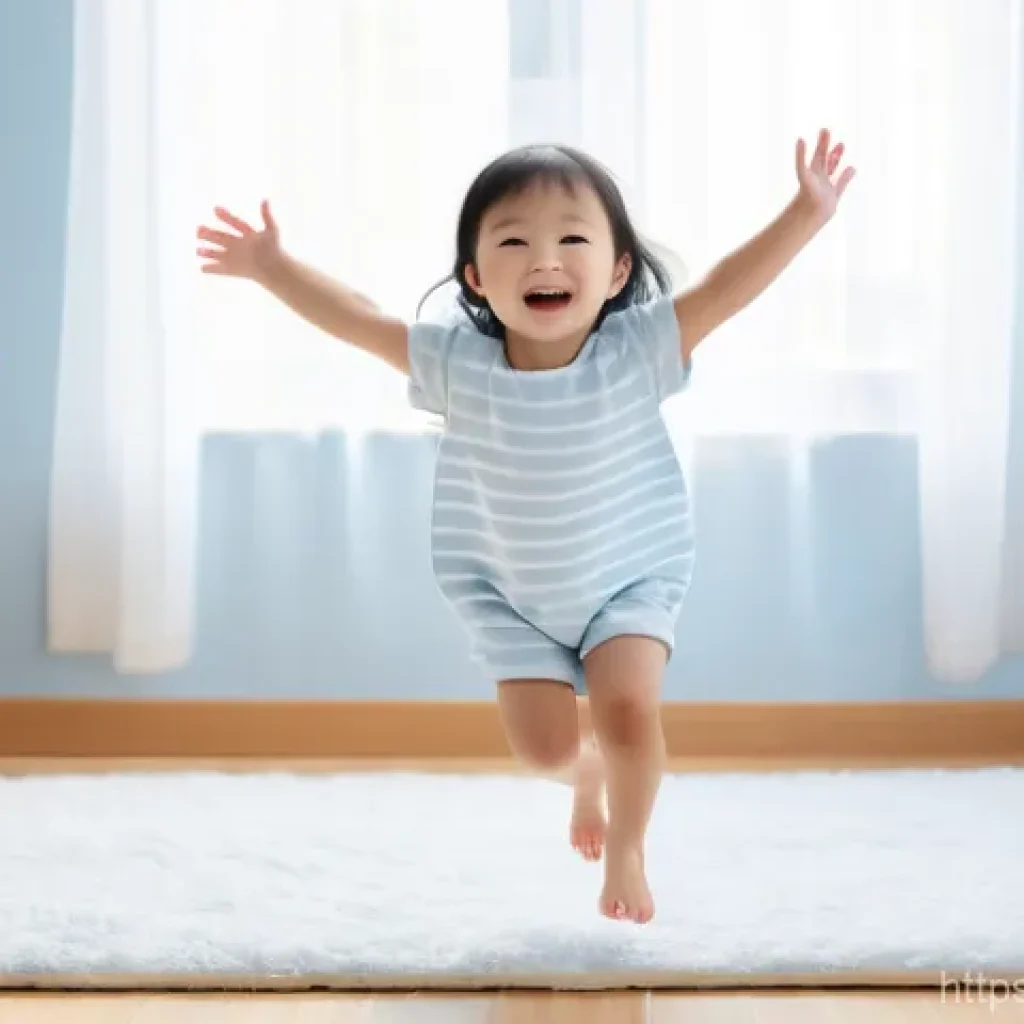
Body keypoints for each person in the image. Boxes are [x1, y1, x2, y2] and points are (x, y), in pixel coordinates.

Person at [196, 130, 855, 925]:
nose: (546, 259)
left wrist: (806, 212)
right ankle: (584, 775)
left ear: (616, 272)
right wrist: (272, 267)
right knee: (541, 749)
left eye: (573, 239)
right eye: (515, 242)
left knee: (628, 711)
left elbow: (724, 289)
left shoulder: (637, 350)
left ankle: (629, 846)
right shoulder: (459, 365)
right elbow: (359, 319)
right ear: (477, 277)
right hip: (510, 594)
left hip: (629, 577)